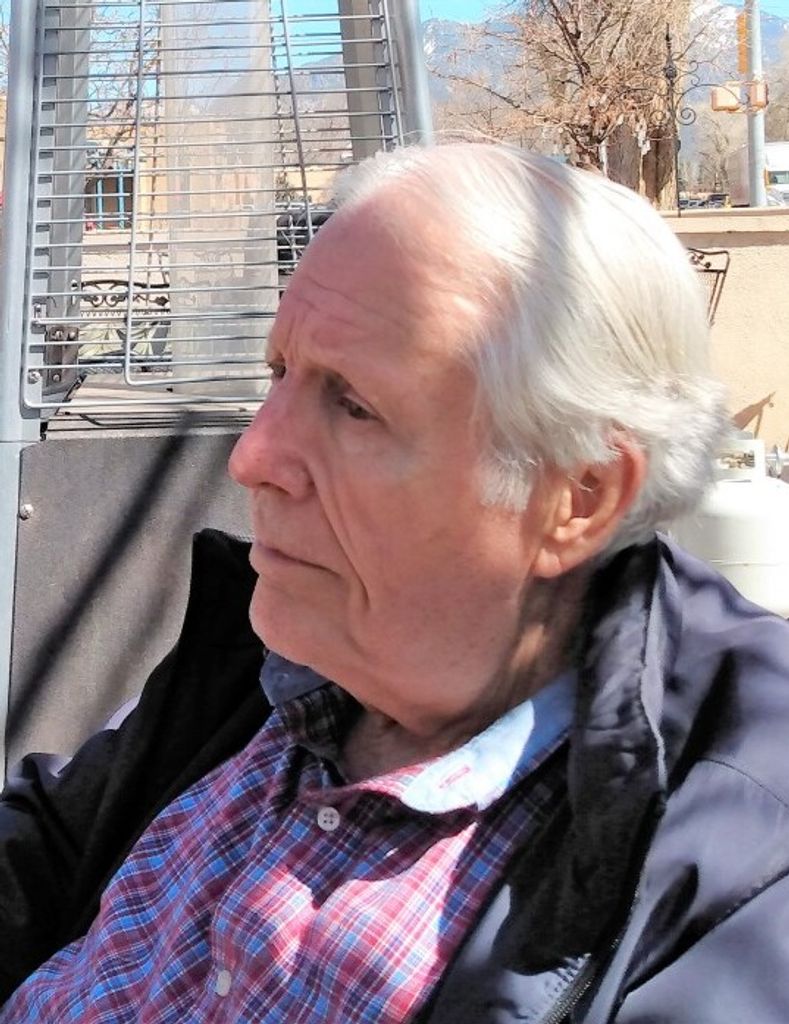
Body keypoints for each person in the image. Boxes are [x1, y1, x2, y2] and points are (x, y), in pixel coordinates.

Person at [1, 142, 788, 1024]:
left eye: (354, 406)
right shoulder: (278, 659)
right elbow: (48, 841)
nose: (252, 456)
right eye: (279, 373)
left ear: (577, 497)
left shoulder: (732, 865)